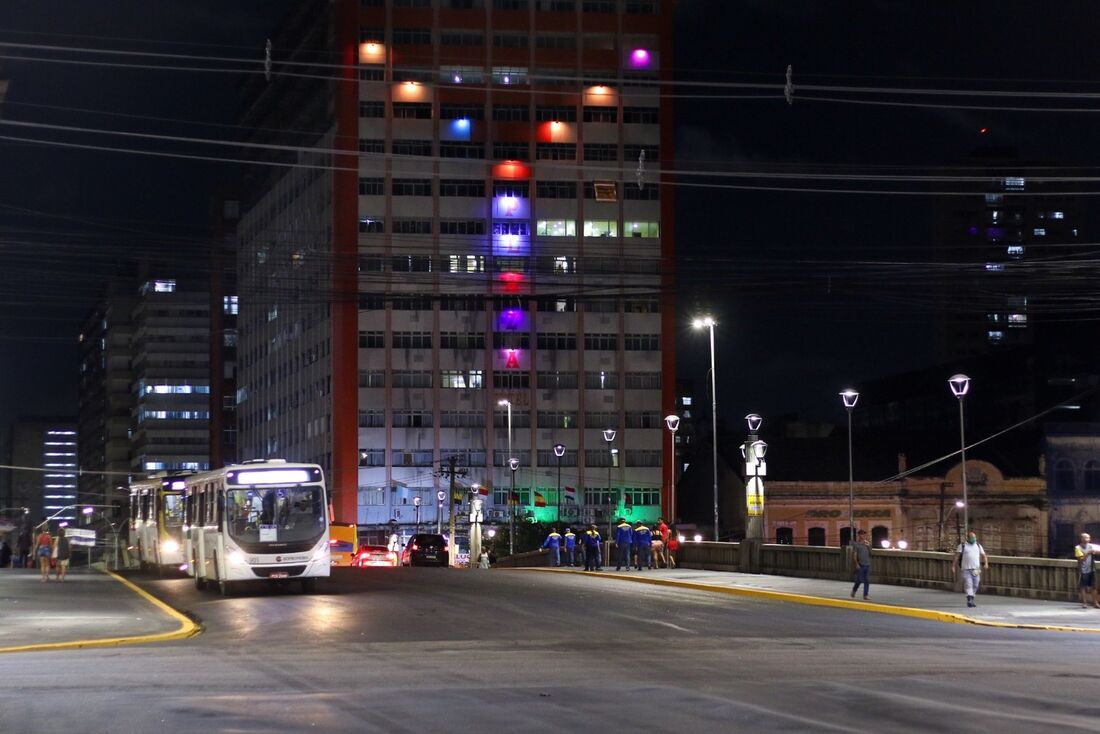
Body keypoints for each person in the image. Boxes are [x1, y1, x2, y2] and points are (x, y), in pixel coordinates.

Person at [951, 530, 989, 608]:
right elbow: (957, 556)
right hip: (966, 569)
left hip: (976, 569)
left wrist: (986, 563)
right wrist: (953, 566)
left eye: (974, 537)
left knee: (976, 584)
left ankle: (971, 598)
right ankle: (969, 599)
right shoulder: (962, 546)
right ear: (967, 538)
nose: (973, 538)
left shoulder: (978, 545)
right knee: (968, 584)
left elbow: (984, 555)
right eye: (971, 537)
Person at [1075, 533, 1100, 609]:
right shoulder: (1078, 548)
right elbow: (1081, 560)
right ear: (1081, 539)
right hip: (1083, 570)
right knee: (1083, 587)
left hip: (1092, 569)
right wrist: (1088, 553)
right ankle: (1084, 603)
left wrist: (1096, 552)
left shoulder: (1092, 546)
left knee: (1094, 586)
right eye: (1085, 538)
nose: (1087, 539)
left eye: (1088, 538)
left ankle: (1095, 602)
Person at [849, 529, 872, 600]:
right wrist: (856, 564)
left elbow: (871, 554)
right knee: (859, 580)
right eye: (861, 534)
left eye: (864, 534)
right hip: (861, 564)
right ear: (859, 535)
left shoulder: (867, 543)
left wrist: (868, 546)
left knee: (867, 580)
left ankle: (865, 595)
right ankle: (854, 590)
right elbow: (854, 555)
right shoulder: (857, 545)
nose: (863, 536)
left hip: (867, 564)